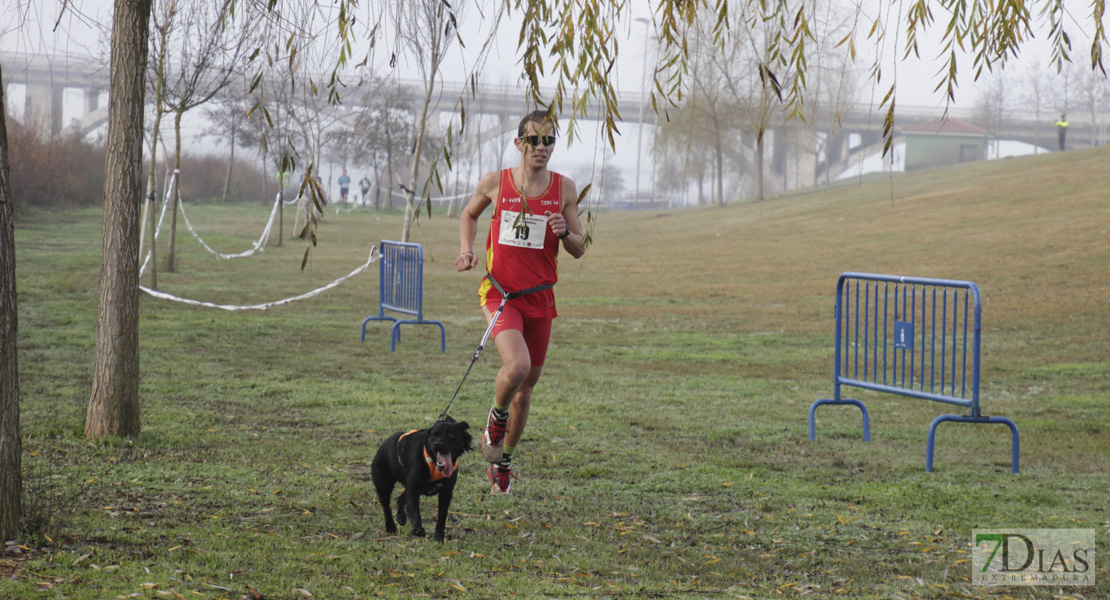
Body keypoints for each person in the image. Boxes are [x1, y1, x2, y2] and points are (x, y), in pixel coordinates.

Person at [455, 110, 586, 495]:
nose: (541, 148)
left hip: (540, 298)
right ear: (519, 143)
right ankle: (494, 421)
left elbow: (580, 248)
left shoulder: (564, 189)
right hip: (500, 292)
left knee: (526, 389)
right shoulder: (496, 182)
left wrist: (566, 234)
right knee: (517, 367)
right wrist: (466, 250)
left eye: (548, 141)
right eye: (534, 140)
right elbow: (469, 213)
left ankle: (504, 464)